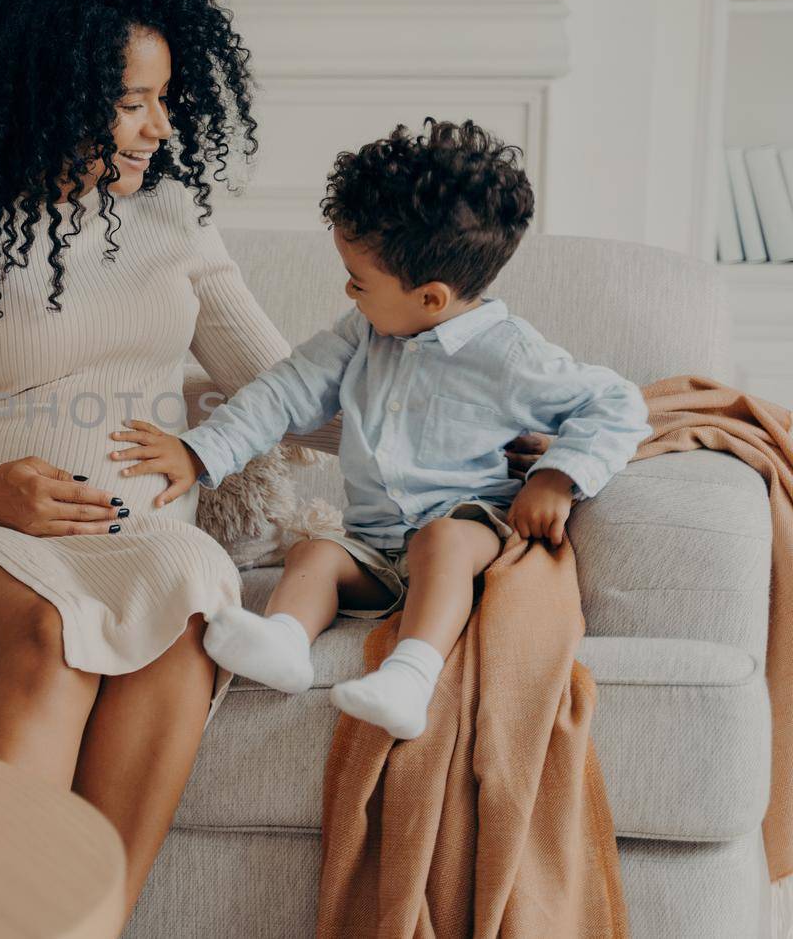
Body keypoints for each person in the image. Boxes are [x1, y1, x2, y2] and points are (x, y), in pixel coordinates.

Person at [0, 0, 345, 921]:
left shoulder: (178, 225)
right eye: (130, 101)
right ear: (46, 96)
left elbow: (292, 402)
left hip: (137, 536)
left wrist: (478, 421)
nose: (156, 125)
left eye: (163, 99)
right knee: (49, 631)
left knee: (191, 595)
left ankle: (90, 918)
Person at [110, 119, 652, 741]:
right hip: (374, 545)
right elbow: (284, 392)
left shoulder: (509, 356)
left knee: (443, 543)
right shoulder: (360, 333)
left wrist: (557, 477)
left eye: (359, 282)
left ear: (430, 298)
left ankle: (410, 676)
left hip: (466, 532)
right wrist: (200, 452)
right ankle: (286, 643)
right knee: (315, 551)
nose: (348, 290)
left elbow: (617, 404)